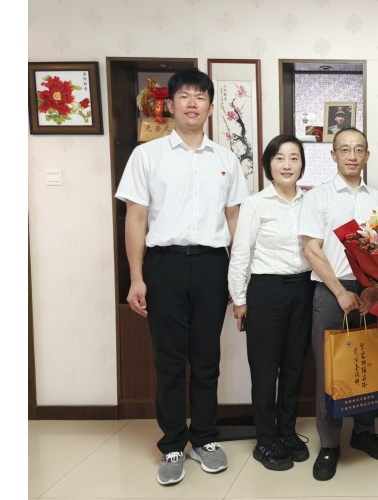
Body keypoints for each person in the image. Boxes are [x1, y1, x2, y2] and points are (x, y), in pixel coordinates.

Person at [115, 68, 250, 486]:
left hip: (212, 265)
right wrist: (136, 277)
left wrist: (238, 279)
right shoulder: (147, 156)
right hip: (165, 265)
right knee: (170, 359)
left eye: (200, 97)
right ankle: (173, 444)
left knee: (207, 358)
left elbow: (235, 220)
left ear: (210, 108)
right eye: (185, 97)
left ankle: (205, 438)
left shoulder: (226, 160)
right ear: (170, 105)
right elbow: (135, 219)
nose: (192, 103)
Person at [298, 127, 378, 481]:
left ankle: (365, 432)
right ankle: (329, 443)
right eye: (345, 149)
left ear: (367, 156)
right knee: (331, 367)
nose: (352, 156)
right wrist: (340, 291)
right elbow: (311, 249)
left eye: (359, 150)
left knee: (367, 359)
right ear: (333, 155)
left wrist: (374, 289)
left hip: (370, 293)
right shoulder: (318, 197)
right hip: (331, 290)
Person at [228, 134, 314, 472]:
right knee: (265, 370)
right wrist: (239, 299)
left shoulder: (311, 201)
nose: (287, 165)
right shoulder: (255, 203)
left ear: (302, 165)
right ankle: (265, 439)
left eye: (294, 158)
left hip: (304, 289)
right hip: (266, 291)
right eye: (280, 158)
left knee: (294, 367)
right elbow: (241, 253)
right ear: (268, 164)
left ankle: (287, 433)